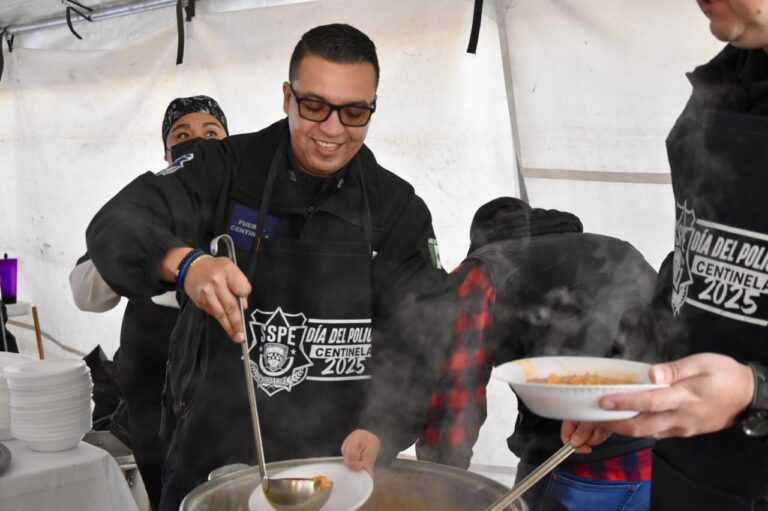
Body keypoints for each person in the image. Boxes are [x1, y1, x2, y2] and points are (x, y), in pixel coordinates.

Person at [85, 24, 447, 511]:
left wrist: (383, 427)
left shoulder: (397, 208)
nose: (333, 129)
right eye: (315, 105)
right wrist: (185, 263)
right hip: (216, 451)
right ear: (286, 96)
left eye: (355, 112)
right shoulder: (223, 169)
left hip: (341, 466)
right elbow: (117, 221)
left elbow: (421, 335)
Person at [561, 2, 768, 509]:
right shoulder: (721, 87)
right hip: (691, 477)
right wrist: (632, 369)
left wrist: (755, 393)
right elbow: (693, 262)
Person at [416, 197, 658, 511]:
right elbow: (671, 334)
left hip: (576, 469)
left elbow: (456, 389)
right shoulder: (619, 249)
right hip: (664, 457)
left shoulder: (485, 268)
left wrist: (438, 480)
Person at [70, 95, 229, 510]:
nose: (200, 141)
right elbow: (85, 292)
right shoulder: (149, 205)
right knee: (164, 489)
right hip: (150, 385)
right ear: (166, 151)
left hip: (225, 390)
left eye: (212, 133)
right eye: (183, 134)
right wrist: (151, 249)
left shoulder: (246, 209)